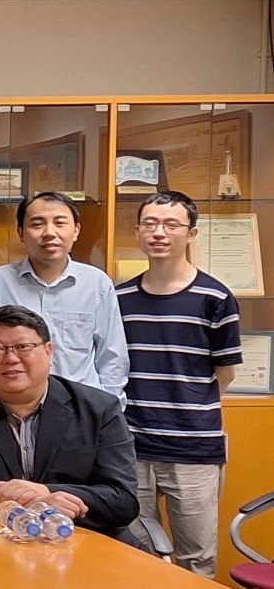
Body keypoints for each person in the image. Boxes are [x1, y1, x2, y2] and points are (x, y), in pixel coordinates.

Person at [0, 305, 139, 538]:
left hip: (86, 537)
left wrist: (46, 493)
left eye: (23, 347)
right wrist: (26, 502)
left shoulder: (99, 409)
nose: (11, 358)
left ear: (48, 351)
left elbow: (122, 499)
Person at [119, 191, 241, 578]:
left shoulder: (215, 297)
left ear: (191, 234)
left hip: (194, 450)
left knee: (196, 559)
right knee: (132, 554)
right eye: (150, 224)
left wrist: (187, 410)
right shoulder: (119, 297)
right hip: (131, 447)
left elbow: (225, 373)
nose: (159, 232)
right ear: (137, 231)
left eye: (171, 224)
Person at [0, 191, 128, 398]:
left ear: (76, 230)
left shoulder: (97, 284)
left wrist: (109, 407)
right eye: (37, 224)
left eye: (60, 223)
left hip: (80, 406)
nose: (49, 233)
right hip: (12, 404)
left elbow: (112, 357)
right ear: (21, 232)